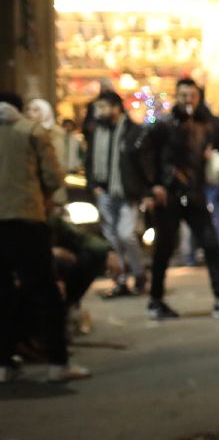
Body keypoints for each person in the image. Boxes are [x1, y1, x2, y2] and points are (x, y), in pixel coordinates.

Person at [137, 78, 219, 321]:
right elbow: (144, 153)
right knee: (164, 248)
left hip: (194, 193)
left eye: (192, 96)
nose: (188, 100)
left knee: (211, 245)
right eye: (184, 95)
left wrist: (215, 163)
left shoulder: (206, 125)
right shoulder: (164, 125)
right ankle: (156, 300)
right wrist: (155, 185)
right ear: (176, 96)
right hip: (170, 195)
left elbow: (207, 153)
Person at [1, 92, 88, 382]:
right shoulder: (32, 131)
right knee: (45, 291)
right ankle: (58, 363)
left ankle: (4, 363)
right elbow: (52, 178)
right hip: (27, 219)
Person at [83, 90, 148, 297]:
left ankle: (139, 274)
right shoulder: (96, 132)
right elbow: (90, 160)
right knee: (112, 238)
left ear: (116, 108)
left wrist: (144, 190)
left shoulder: (133, 131)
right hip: (104, 192)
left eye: (102, 107)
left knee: (126, 235)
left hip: (127, 192)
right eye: (97, 107)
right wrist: (93, 184)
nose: (98, 112)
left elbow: (142, 163)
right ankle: (120, 279)